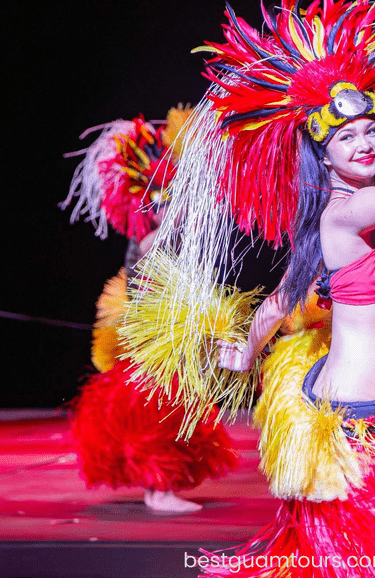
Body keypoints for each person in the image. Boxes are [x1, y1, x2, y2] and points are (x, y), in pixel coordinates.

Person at [124, 1, 375, 573]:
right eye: (347, 138)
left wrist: (245, 351)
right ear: (323, 154)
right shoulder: (346, 215)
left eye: (371, 129)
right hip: (360, 416)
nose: (365, 142)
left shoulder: (349, 214)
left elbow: (281, 298)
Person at [62, 110, 237, 513]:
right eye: (163, 199)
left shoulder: (161, 235)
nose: (172, 206)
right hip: (155, 340)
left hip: (164, 337)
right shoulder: (153, 239)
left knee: (172, 408)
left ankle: (161, 488)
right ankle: (158, 491)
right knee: (159, 412)